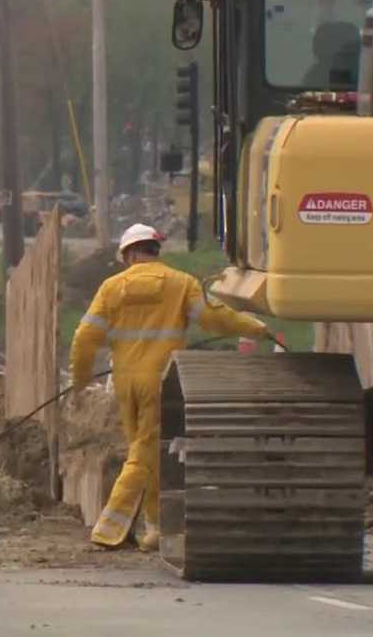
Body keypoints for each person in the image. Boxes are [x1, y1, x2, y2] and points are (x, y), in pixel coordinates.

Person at [69, 223, 272, 552]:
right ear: (153, 250)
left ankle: (154, 528)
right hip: (160, 379)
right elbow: (215, 318)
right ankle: (109, 527)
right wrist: (256, 328)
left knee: (144, 448)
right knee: (145, 452)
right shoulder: (181, 283)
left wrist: (80, 377)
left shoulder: (111, 287)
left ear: (130, 253)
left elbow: (85, 337)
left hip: (124, 381)